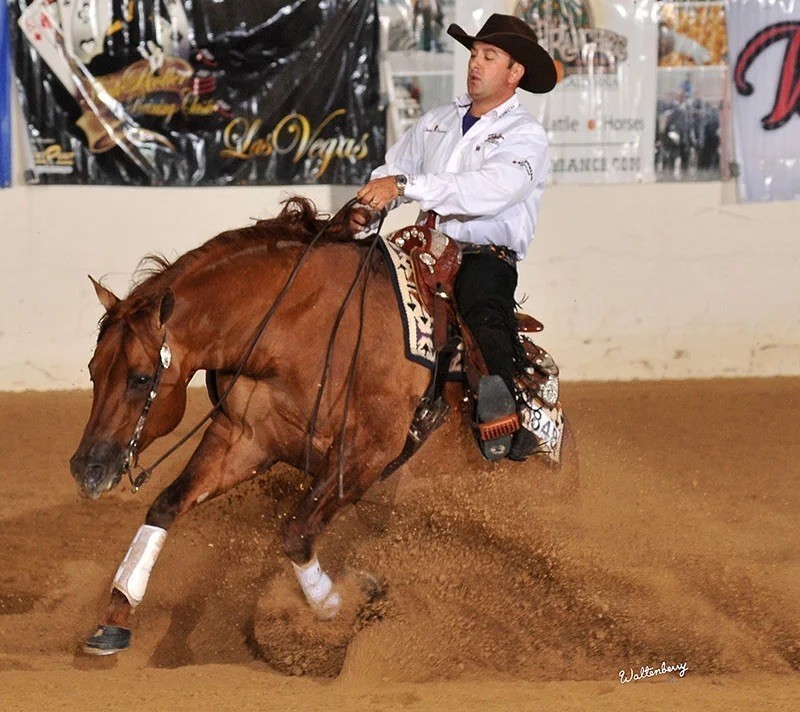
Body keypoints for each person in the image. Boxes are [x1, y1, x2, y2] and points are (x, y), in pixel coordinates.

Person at [354, 13, 557, 461]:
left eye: (489, 56)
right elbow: (389, 174)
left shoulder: (525, 136)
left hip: (482, 255)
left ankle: (509, 419)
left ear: (515, 72)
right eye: (474, 53)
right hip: (421, 247)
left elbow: (488, 190)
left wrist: (405, 186)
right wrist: (362, 215)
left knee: (482, 308)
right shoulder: (437, 121)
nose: (475, 63)